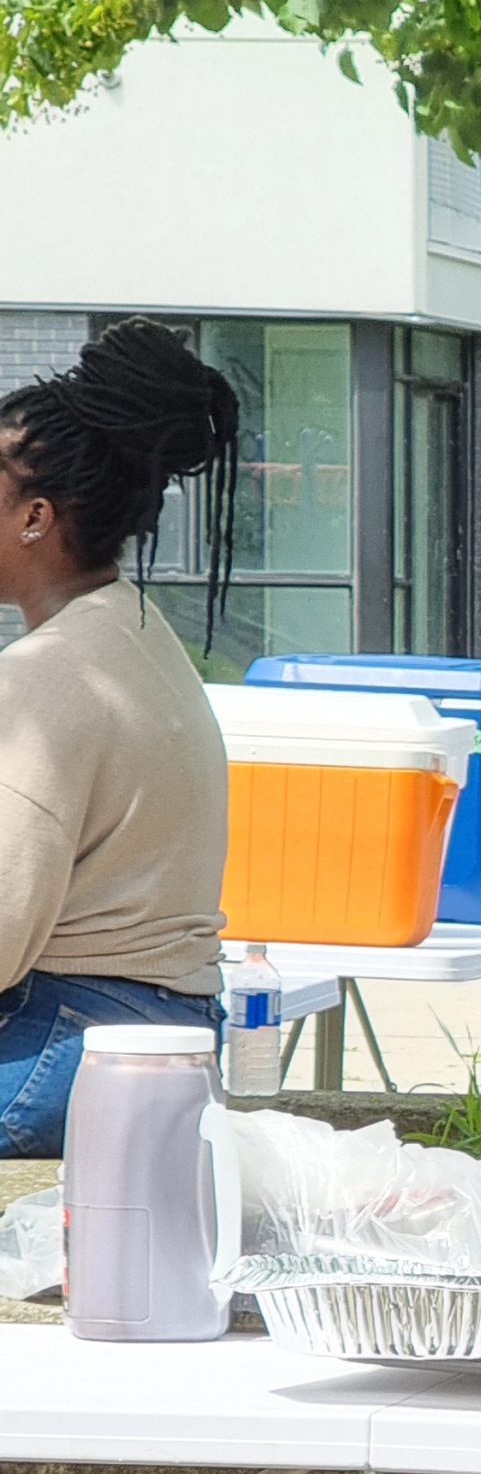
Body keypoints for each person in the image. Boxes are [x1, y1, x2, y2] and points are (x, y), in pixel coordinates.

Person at [0, 321, 237, 1157]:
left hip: (67, 1044)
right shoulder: (135, 633)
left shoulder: (43, 677)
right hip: (163, 1036)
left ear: (34, 517)